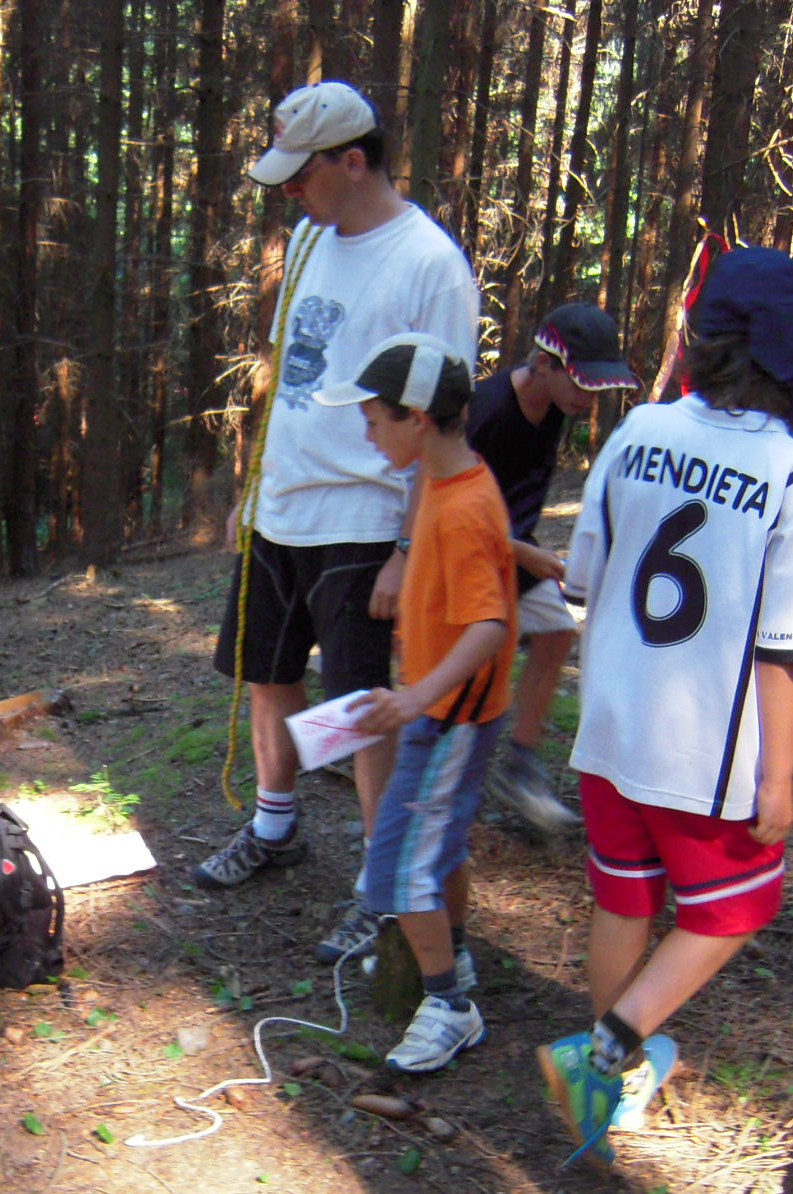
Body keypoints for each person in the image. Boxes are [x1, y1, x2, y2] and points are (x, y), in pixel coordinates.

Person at [537, 247, 793, 1165]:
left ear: (699, 337)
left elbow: (583, 578)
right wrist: (778, 781)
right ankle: (604, 1054)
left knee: (623, 898)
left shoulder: (637, 431)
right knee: (731, 911)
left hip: (610, 726)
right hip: (706, 754)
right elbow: (785, 650)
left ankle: (607, 1083)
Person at [197, 81, 481, 973]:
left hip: (364, 513)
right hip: (282, 504)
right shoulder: (312, 237)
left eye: (301, 173)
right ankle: (274, 825)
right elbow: (295, 371)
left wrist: (406, 546)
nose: (289, 191)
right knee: (267, 672)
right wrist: (257, 485)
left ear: (354, 161)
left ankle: (378, 880)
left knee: (359, 707)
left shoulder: (430, 264)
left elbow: (444, 420)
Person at [316, 334, 518, 1072]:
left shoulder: (460, 504)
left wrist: (416, 699)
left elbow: (489, 625)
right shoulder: (446, 477)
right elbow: (488, 552)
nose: (368, 435)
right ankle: (451, 956)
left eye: (375, 420)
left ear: (418, 417)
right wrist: (526, 554)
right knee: (438, 845)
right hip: (446, 707)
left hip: (451, 714)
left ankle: (449, 1006)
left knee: (398, 867)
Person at [465, 303, 639, 835]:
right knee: (472, 669)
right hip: (466, 558)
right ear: (544, 363)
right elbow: (448, 511)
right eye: (581, 384)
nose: (588, 400)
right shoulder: (488, 410)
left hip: (513, 549)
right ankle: (447, 781)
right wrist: (524, 553)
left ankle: (520, 766)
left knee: (558, 632)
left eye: (595, 389)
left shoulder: (557, 407)